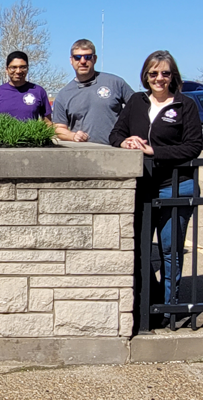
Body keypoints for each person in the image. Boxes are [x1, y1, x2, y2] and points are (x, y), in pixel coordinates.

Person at [109, 51, 202, 326]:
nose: (159, 78)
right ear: (145, 76)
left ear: (173, 76)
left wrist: (154, 150)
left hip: (176, 186)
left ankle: (168, 308)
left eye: (165, 73)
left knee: (170, 250)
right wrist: (125, 142)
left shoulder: (186, 105)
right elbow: (116, 134)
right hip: (143, 186)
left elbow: (193, 146)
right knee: (139, 248)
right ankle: (146, 301)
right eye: (153, 73)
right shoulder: (136, 102)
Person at [53, 39, 134, 144]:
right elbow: (58, 128)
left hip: (116, 151)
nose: (82, 61)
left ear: (94, 59)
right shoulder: (64, 94)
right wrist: (73, 136)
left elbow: (138, 109)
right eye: (77, 57)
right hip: (83, 153)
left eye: (87, 57)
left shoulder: (115, 83)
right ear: (71, 60)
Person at [0, 51, 51, 122]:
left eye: (22, 67)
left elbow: (47, 122)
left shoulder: (38, 91)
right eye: (13, 67)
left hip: (30, 133)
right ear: (7, 70)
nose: (18, 71)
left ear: (28, 68)